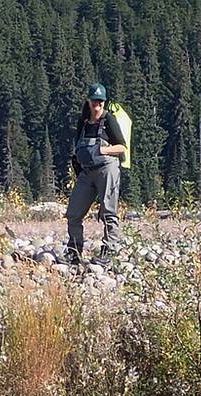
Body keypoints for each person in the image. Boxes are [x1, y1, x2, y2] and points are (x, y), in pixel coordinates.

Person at [66, 83, 127, 266]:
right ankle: (74, 251)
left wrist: (103, 150)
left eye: (100, 102)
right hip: (86, 172)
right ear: (89, 101)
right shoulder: (83, 121)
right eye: (94, 101)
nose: (97, 105)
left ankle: (111, 250)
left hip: (107, 169)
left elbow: (122, 147)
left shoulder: (109, 120)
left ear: (104, 102)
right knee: (73, 213)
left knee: (109, 211)